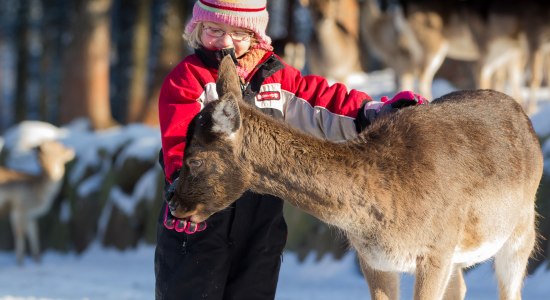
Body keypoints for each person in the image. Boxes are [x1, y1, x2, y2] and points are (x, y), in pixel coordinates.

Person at [155, 1, 427, 299]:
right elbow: (177, 139)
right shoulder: (189, 80)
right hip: (200, 217)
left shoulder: (276, 79)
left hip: (262, 220)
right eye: (214, 30)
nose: (224, 41)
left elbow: (322, 103)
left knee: (254, 289)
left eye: (238, 33)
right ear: (197, 29)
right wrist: (182, 184)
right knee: (192, 289)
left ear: (256, 35)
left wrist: (373, 111)